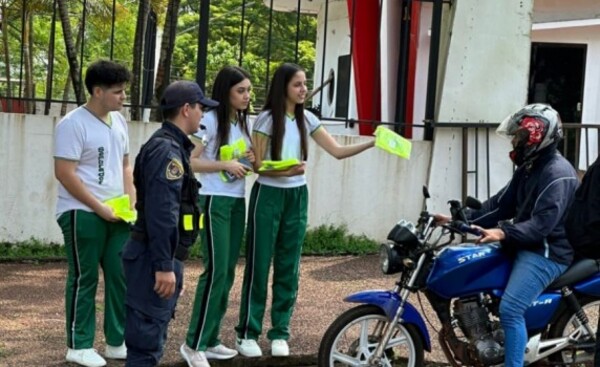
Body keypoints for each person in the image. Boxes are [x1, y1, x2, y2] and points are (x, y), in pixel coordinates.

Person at [234, 62, 375, 358]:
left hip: (297, 196)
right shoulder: (267, 119)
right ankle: (247, 332)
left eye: (305, 84)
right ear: (283, 86)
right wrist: (284, 173)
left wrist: (373, 142)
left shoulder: (308, 119)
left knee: (290, 265)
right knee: (259, 264)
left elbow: (337, 151)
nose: (303, 89)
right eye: (297, 84)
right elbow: (257, 165)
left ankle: (280, 332)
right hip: (268, 195)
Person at [436, 103, 578, 367]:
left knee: (511, 309)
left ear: (536, 136)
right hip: (526, 243)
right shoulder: (530, 168)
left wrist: (502, 232)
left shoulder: (556, 173)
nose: (514, 141)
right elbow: (500, 205)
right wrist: (459, 220)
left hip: (546, 251)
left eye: (519, 136)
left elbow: (541, 225)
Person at [121, 80, 218, 366]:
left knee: (152, 338)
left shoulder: (172, 147)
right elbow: (163, 214)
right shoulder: (168, 152)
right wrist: (165, 267)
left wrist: (173, 265)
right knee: (146, 345)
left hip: (159, 256)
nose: (203, 114)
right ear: (186, 109)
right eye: (200, 108)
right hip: (154, 256)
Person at [54, 59, 133, 367]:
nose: (122, 96)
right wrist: (99, 207)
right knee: (84, 277)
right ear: (97, 91)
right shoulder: (73, 124)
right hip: (81, 213)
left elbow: (126, 165)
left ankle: (116, 341)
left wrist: (131, 203)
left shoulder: (120, 122)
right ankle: (78, 345)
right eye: (117, 92)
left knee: (120, 275)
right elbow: (64, 173)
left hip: (117, 214)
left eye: (123, 90)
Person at [179, 66, 254, 367]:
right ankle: (192, 344)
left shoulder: (242, 123)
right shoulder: (208, 121)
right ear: (226, 92)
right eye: (241, 91)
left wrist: (247, 161)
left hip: (237, 201)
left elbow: (242, 162)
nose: (247, 96)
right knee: (215, 272)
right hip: (213, 201)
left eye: (249, 90)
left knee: (228, 272)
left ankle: (209, 340)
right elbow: (188, 161)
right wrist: (225, 165)